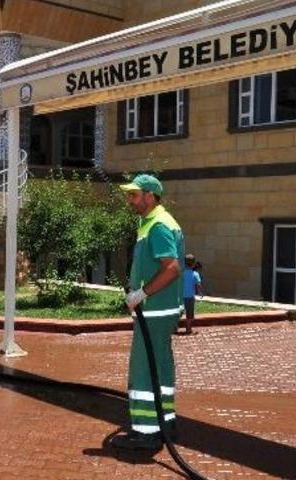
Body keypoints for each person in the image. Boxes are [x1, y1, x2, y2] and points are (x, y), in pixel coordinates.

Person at [111, 173, 185, 451]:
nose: (130, 199)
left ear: (150, 196)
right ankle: (166, 422)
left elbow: (172, 268)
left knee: (143, 370)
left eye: (134, 194)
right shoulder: (152, 223)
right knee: (161, 365)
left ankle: (146, 433)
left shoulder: (158, 227)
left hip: (154, 311)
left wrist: (142, 294)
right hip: (158, 311)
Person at [181, 254, 203, 335]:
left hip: (180, 296)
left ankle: (174, 327)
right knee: (189, 314)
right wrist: (200, 292)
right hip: (190, 296)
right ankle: (188, 328)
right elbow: (198, 284)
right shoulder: (195, 274)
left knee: (178, 312)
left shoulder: (181, 273)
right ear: (194, 264)